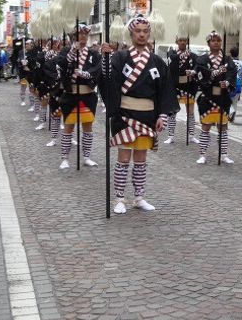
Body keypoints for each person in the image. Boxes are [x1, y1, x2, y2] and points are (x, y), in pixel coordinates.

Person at [102, 15, 179, 214]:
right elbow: (108, 80)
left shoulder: (157, 62)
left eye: (145, 31)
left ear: (149, 33)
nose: (142, 34)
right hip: (125, 114)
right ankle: (119, 198)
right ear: (131, 33)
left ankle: (139, 197)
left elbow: (165, 90)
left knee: (141, 159)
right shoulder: (120, 57)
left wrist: (162, 115)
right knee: (124, 158)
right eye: (138, 31)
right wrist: (105, 59)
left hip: (147, 115)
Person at [55, 24, 101, 169]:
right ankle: (65, 158)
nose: (83, 37)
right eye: (80, 34)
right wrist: (73, 51)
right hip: (71, 94)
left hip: (87, 94)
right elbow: (62, 63)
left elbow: (98, 69)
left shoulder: (93, 54)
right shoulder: (66, 50)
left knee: (88, 127)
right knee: (68, 126)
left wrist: (86, 73)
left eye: (85, 34)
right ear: (74, 36)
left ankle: (86, 156)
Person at [194, 31, 237, 164]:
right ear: (208, 43)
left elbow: (232, 73)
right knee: (206, 126)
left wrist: (228, 83)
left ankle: (223, 154)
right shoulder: (202, 59)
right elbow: (199, 75)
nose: (216, 42)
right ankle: (202, 154)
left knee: (223, 128)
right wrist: (211, 77)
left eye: (218, 40)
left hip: (223, 98)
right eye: (213, 40)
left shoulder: (227, 59)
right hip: (208, 97)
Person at [165, 35, 199, 145]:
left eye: (185, 40)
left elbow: (197, 66)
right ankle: (171, 136)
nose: (183, 42)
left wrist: (193, 71)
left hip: (189, 86)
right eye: (181, 40)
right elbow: (173, 59)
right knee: (172, 112)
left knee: (190, 112)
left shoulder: (193, 56)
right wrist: (185, 54)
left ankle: (191, 135)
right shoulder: (172, 53)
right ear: (176, 41)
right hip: (175, 86)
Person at [228, 46, 242, 122]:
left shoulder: (228, 62)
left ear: (230, 54)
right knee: (235, 102)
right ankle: (232, 119)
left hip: (231, 83)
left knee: (227, 100)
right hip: (239, 83)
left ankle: (230, 112)